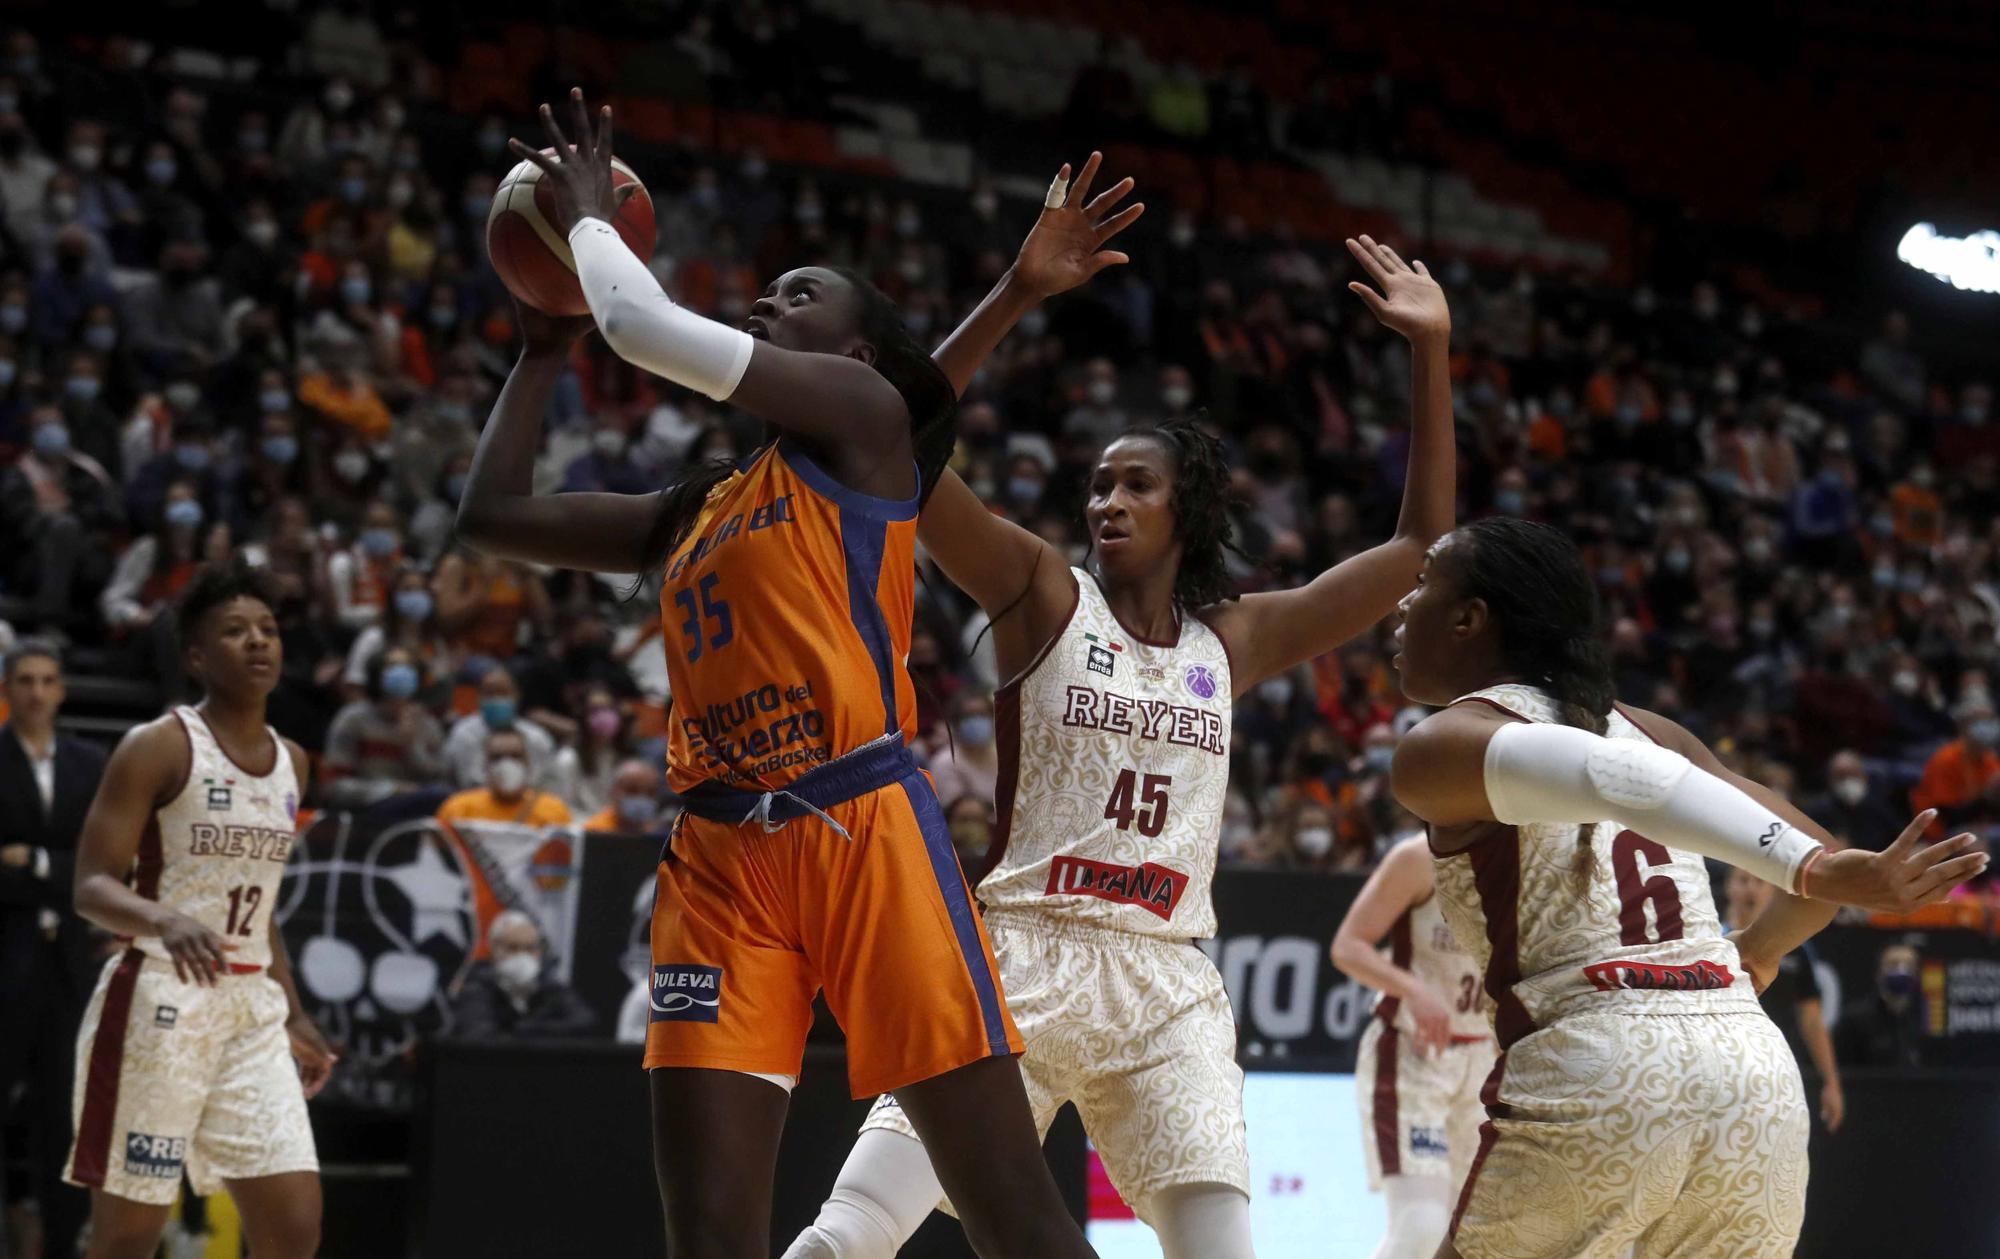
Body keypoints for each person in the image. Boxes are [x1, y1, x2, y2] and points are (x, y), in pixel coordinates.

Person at [456, 91, 1093, 1259]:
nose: (764, 300)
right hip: (716, 861)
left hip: (862, 823)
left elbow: (643, 330)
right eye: (765, 291)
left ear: (854, 353)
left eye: (798, 293)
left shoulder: (858, 415)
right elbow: (491, 512)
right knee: (710, 1238)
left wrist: (591, 219)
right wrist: (544, 349)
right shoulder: (698, 503)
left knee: (1010, 1211)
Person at [788, 233, 1456, 1259]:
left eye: (1134, 484)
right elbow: (898, 454)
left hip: (1165, 981)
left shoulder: (1231, 641)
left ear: (1183, 507)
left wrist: (1429, 350)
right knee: (849, 1232)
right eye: (1098, 485)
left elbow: (1415, 551)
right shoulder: (1041, 591)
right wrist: (1013, 289)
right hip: (1018, 953)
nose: (1105, 501)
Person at [1382, 516, 1986, 1258]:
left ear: (1472, 618)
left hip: (1599, 1054)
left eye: (1420, 586)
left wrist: (1812, 869)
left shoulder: (1439, 745)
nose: (1401, 606)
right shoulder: (1654, 731)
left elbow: (1807, 861)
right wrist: (1756, 955)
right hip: (1749, 1070)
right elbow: (1822, 856)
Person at [66, 563, 337, 1259]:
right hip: (160, 998)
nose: (258, 643)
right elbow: (91, 883)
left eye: (269, 630)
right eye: (235, 631)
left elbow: (261, 897)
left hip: (251, 1007)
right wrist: (164, 917)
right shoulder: (158, 744)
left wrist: (296, 1011)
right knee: (128, 1234)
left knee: (295, 1222)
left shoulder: (294, 761)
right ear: (195, 655)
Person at [1329, 834, 1495, 1259]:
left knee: (1477, 1233)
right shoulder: (1417, 858)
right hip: (1413, 1054)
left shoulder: (1524, 863)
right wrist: (1414, 991)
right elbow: (1348, 947)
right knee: (1421, 1225)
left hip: (1486, 1061)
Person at [0, 641, 106, 1259]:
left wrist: (30, 860)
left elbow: (105, 864)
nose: (37, 692)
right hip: (6, 961)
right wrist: (64, 870)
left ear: (62, 690)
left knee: (65, 1121)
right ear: (9, 691)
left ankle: (66, 1248)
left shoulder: (91, 765)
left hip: (69, 965)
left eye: (47, 681)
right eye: (25, 681)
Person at [1722, 869, 1844, 1132]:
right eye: (1743, 880)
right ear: (1729, 888)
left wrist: (1831, 1083)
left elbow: (1811, 1020)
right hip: (1721, 1071)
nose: (1751, 889)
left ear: (1773, 891)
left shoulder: (1796, 950)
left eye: (1759, 880)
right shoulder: (1711, 942)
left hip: (1775, 1071)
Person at [449, 909, 596, 1039]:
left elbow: (585, 1021)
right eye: (512, 948)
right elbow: (479, 1036)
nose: (522, 956)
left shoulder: (548, 983)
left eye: (530, 949)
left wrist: (526, 1029)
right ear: (494, 948)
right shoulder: (476, 985)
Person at [1911, 695, 2000, 837]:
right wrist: (1986, 797)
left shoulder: (1989, 759)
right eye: (1981, 720)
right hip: (1943, 831)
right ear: (1964, 726)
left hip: (1983, 825)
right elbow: (1949, 816)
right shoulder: (1946, 759)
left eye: (1990, 720)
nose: (1988, 725)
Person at [1834, 939, 1926, 1068]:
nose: (1902, 971)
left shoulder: (1922, 1019)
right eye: (1893, 964)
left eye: (1909, 965)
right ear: (1878, 972)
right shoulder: (1855, 1020)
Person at [583, 758, 670, 837]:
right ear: (613, 792)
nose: (641, 798)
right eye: (632, 790)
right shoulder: (594, 831)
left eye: (651, 792)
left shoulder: (661, 836)